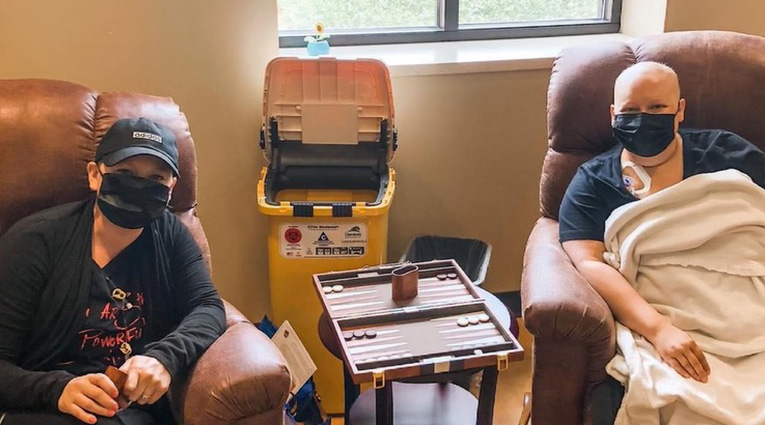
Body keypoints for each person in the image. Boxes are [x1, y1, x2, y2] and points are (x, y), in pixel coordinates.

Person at [558, 61, 765, 423]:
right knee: (683, 399)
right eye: (630, 110)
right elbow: (587, 260)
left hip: (749, 300)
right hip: (668, 314)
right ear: (613, 114)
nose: (643, 119)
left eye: (657, 108)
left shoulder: (726, 152)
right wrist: (658, 329)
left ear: (680, 110)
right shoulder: (593, 181)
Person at [0, 117, 226, 425]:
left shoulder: (171, 235)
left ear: (172, 188)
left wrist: (164, 357)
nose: (140, 186)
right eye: (124, 173)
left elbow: (208, 307)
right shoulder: (35, 240)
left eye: (156, 178)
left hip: (132, 412)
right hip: (47, 408)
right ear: (95, 175)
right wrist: (57, 390)